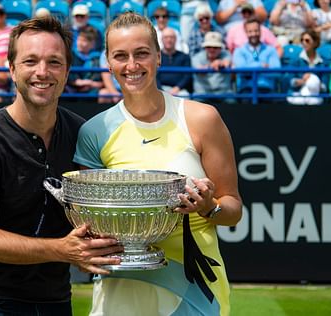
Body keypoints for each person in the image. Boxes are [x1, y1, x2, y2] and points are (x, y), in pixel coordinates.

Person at [0, 16, 122, 316]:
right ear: (12, 68)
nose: (42, 72)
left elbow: (97, 209)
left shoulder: (82, 134)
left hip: (54, 301)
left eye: (54, 62)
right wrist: (62, 250)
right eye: (30, 61)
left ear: (67, 72)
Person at [74, 12, 242, 316]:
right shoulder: (94, 131)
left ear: (159, 57)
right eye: (120, 56)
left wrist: (208, 206)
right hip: (120, 284)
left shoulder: (202, 119)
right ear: (109, 64)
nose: (132, 65)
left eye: (142, 54)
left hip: (194, 284)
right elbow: (92, 223)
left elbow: (233, 210)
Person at [232, 18, 282, 95]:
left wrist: (249, 70)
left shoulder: (271, 50)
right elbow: (241, 71)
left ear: (260, 31)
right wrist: (261, 66)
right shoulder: (239, 51)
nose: (254, 34)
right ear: (246, 32)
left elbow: (276, 71)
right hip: (246, 90)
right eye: (250, 31)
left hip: (267, 90)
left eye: (256, 30)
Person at [286, 29, 325, 105]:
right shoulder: (296, 59)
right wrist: (303, 81)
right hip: (297, 94)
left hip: (315, 96)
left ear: (315, 42)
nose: (304, 43)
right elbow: (290, 81)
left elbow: (324, 85)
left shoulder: (322, 62)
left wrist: (314, 81)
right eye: (302, 40)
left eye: (307, 40)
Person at [192, 31, 233, 102]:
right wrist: (213, 65)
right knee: (196, 102)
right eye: (209, 47)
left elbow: (227, 63)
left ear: (221, 48)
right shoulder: (197, 57)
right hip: (202, 94)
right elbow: (200, 71)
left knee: (232, 100)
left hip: (223, 94)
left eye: (215, 47)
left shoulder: (226, 54)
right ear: (204, 47)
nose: (212, 50)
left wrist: (221, 63)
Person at [66, 26, 103, 95]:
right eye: (79, 40)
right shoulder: (71, 55)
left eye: (84, 41)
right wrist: (83, 83)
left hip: (92, 91)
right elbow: (69, 78)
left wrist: (91, 84)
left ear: (92, 44)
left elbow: (102, 82)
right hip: (73, 90)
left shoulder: (97, 58)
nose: (80, 43)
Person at [157, 27, 192, 97]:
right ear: (161, 39)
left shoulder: (184, 56)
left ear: (176, 39)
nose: (169, 40)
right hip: (160, 89)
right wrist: (161, 90)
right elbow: (154, 76)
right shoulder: (156, 57)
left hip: (180, 90)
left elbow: (187, 76)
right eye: (166, 37)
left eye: (171, 37)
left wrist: (177, 88)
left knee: (185, 96)